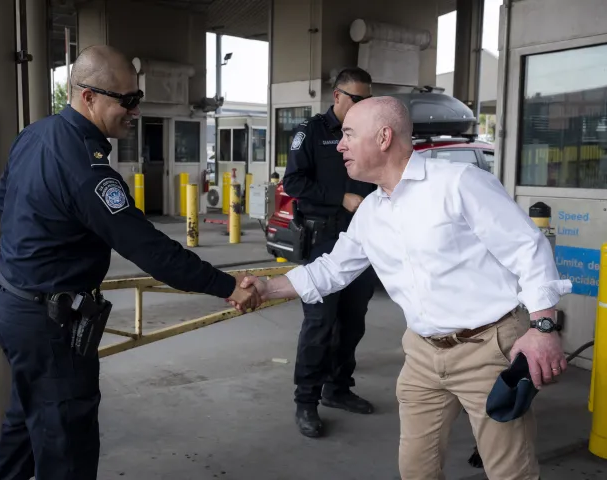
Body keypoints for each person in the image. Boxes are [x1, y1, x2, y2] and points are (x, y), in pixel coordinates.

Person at [234, 96, 572, 479]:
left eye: (348, 134)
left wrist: (543, 327)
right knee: (416, 470)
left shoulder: (459, 183)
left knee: (509, 472)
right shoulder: (372, 211)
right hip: (422, 356)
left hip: (487, 350)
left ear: (383, 137)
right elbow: (331, 270)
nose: (340, 145)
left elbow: (527, 248)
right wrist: (265, 288)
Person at [0, 45, 260, 480]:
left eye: (138, 97)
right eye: (126, 100)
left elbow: (4, 201)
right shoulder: (87, 168)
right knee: (66, 449)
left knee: (23, 428)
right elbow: (151, 250)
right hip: (49, 326)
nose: (135, 110)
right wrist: (228, 286)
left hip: (14, 306)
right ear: (88, 97)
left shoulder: (33, 135)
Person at [281, 67, 378, 438]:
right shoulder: (311, 132)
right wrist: (340, 198)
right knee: (319, 324)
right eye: (358, 98)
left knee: (352, 322)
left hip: (361, 241)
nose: (363, 105)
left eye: (368, 99)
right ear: (337, 96)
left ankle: (339, 388)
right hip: (324, 239)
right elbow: (293, 182)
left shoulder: (365, 133)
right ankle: (306, 400)